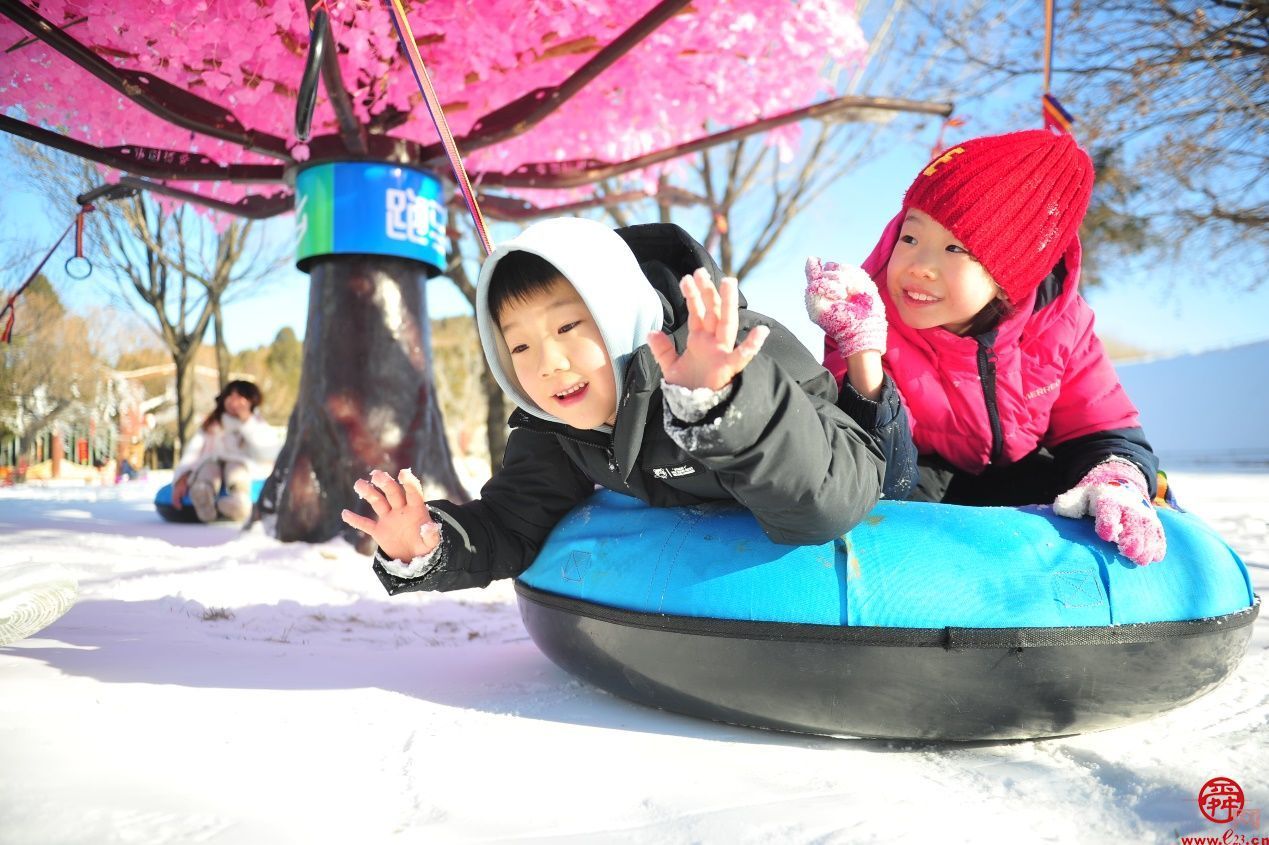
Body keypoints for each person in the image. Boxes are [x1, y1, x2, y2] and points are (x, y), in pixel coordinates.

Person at [341, 218, 887, 594]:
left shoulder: (728, 348)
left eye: (568, 326)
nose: (547, 363)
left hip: (885, 473)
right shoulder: (557, 425)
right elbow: (513, 521)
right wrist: (427, 543)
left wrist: (719, 404)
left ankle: (861, 347)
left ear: (619, 313)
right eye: (520, 346)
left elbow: (830, 502)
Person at [805, 129, 1167, 565]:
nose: (920, 267)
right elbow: (873, 472)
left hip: (1023, 474)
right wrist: (863, 358)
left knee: (1097, 498)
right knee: (887, 517)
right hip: (917, 473)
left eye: (955, 248)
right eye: (910, 237)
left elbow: (1102, 428)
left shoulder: (1061, 324)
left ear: (1009, 272)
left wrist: (1116, 477)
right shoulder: (864, 317)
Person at [171, 380, 273, 523]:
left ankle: (239, 501)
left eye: (240, 396)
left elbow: (267, 451)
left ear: (251, 401)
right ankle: (202, 494)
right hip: (211, 465)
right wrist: (182, 478)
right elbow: (192, 453)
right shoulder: (211, 425)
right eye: (230, 396)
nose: (233, 401)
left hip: (240, 468)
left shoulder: (257, 425)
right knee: (209, 467)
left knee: (236, 469)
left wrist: (247, 422)